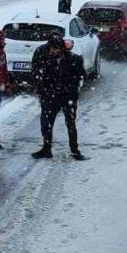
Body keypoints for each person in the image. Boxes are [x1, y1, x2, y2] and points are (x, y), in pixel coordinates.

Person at [30, 31, 86, 160]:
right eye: (51, 48)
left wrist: (73, 92)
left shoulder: (73, 59)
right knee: (46, 123)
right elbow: (35, 71)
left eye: (55, 49)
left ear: (61, 48)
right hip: (49, 94)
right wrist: (41, 88)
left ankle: (74, 150)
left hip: (67, 96)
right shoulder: (41, 53)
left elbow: (80, 76)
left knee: (70, 123)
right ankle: (46, 148)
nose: (52, 51)